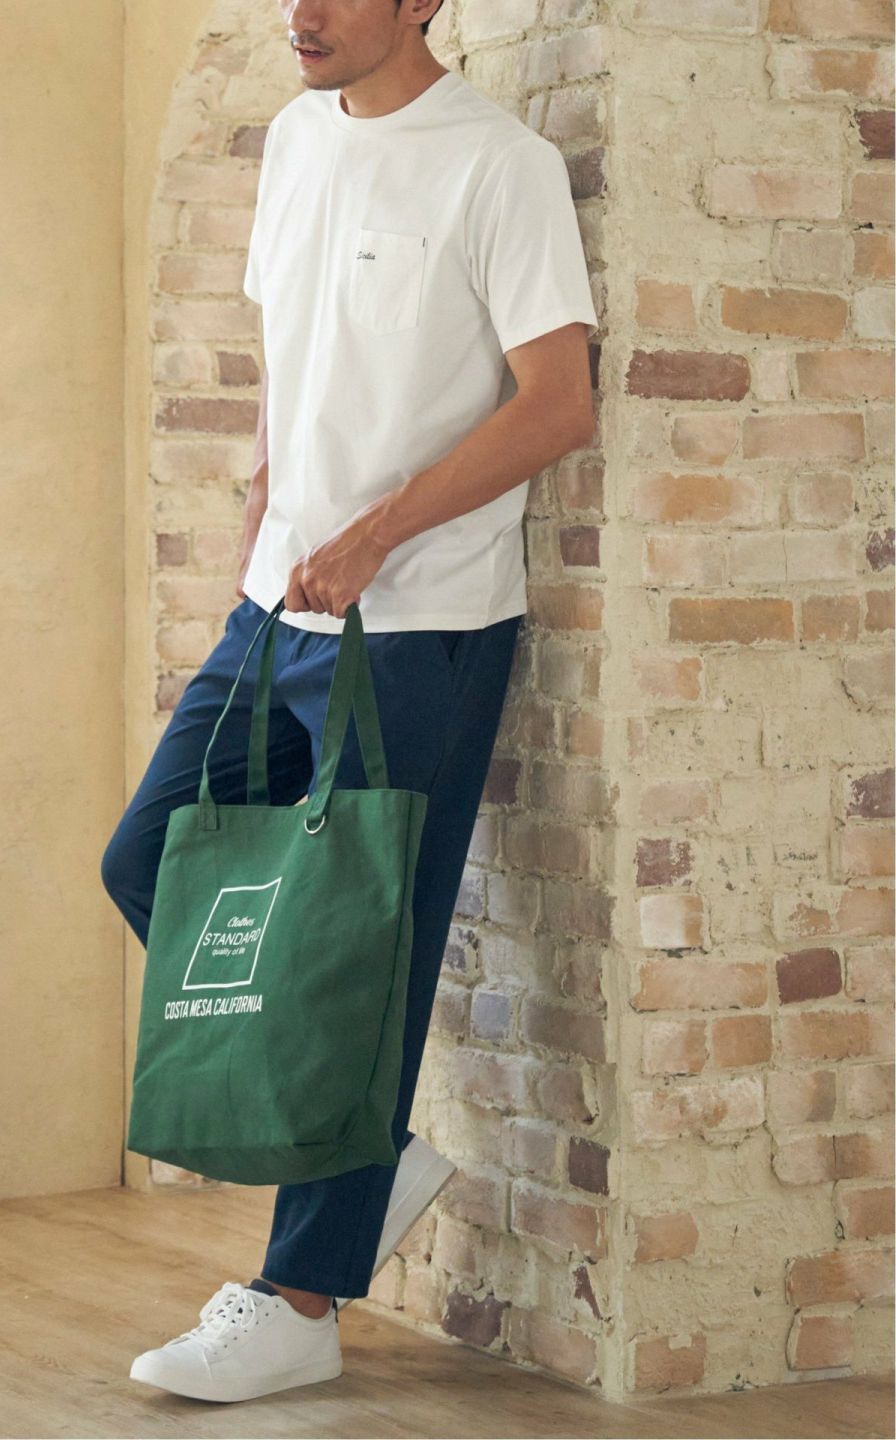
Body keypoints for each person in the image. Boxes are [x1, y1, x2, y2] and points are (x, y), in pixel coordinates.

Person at [106, 0, 598, 1404]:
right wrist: (268, 491)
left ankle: (301, 1299)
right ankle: (365, 1149)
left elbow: (557, 403)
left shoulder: (496, 165)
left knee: (364, 949)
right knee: (149, 859)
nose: (302, 13)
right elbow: (296, 342)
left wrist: (378, 533)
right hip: (280, 603)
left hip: (422, 624)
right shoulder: (294, 142)